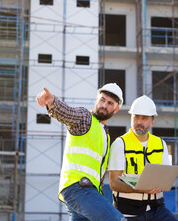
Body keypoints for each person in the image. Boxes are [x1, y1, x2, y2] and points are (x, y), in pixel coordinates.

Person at [36, 83, 126, 221]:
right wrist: (52, 102)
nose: (104, 105)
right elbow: (68, 113)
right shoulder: (85, 118)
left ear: (116, 109)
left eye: (110, 103)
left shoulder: (105, 136)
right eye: (102, 100)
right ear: (96, 100)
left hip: (86, 194)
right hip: (78, 189)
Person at [108, 95, 178, 221]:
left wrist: (161, 185)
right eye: (136, 117)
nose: (139, 122)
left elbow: (166, 176)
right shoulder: (120, 144)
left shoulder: (160, 143)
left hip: (157, 208)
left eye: (144, 118)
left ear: (152, 122)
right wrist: (141, 189)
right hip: (128, 211)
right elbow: (113, 183)